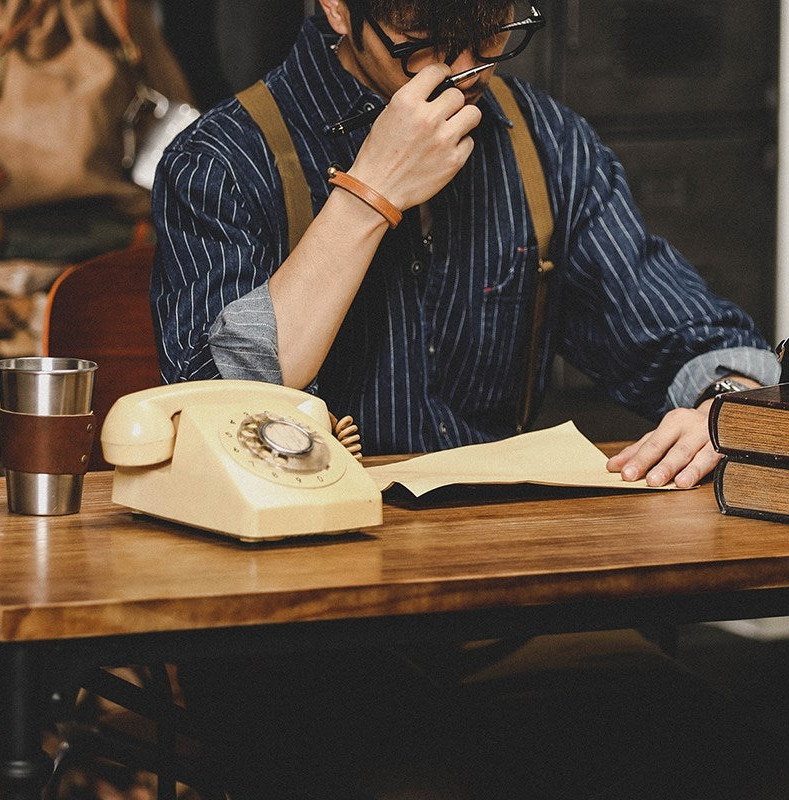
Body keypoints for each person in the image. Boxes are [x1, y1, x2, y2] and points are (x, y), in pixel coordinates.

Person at [151, 2, 787, 798]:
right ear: (340, 10)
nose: (458, 73)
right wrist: (368, 194)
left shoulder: (547, 143)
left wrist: (731, 410)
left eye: (486, 39)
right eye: (420, 44)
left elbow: (690, 336)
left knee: (733, 759)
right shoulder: (222, 159)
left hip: (511, 614)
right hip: (294, 632)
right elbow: (212, 409)